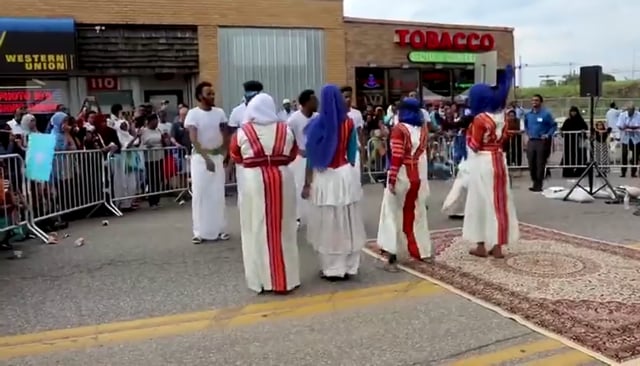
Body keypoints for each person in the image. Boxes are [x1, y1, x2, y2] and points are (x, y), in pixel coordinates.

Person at [229, 93, 300, 294]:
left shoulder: (243, 132)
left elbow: (236, 155)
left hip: (254, 181)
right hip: (283, 178)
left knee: (256, 226)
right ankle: (287, 278)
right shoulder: (286, 129)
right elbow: (293, 154)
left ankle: (262, 279)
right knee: (284, 226)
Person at [304, 84, 366, 281]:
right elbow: (352, 152)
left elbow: (311, 157)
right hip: (345, 174)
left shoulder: (317, 125)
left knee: (328, 222)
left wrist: (307, 182)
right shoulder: (348, 123)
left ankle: (332, 268)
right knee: (347, 219)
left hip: (326, 177)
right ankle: (349, 265)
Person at [463, 65, 519, 259]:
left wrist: (467, 135)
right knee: (499, 201)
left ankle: (480, 244)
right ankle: (497, 246)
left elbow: (475, 145)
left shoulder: (479, 119)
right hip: (499, 159)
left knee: (480, 202)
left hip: (482, 162)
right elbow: (505, 138)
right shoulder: (502, 117)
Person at [376, 97, 431, 270]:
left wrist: (391, 179)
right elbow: (422, 153)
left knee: (392, 214)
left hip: (401, 174)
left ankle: (392, 256)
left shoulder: (399, 129)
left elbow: (397, 156)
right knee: (417, 212)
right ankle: (421, 251)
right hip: (416, 174)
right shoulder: (423, 129)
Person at [185, 81, 230, 244]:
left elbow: (226, 133)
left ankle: (220, 229)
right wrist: (206, 159)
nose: (212, 96)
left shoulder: (219, 112)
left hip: (216, 157)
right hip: (199, 158)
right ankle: (198, 231)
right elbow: (193, 139)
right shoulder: (193, 114)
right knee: (200, 194)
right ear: (200, 96)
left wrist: (225, 152)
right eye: (208, 94)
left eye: (213, 93)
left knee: (217, 194)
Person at [286, 89, 318, 228]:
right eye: (313, 100)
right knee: (299, 187)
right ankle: (298, 218)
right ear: (305, 103)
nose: (316, 102)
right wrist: (297, 150)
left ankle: (314, 217)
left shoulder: (318, 117)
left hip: (316, 158)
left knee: (316, 187)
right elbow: (288, 139)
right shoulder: (293, 119)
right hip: (300, 159)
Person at [524, 94, 556, 192]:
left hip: (541, 142)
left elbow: (553, 126)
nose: (534, 102)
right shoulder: (528, 114)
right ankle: (534, 181)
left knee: (540, 163)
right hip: (531, 141)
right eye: (533, 100)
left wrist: (548, 134)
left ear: (541, 102)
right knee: (531, 163)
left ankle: (538, 184)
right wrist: (528, 133)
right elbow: (526, 125)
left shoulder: (546, 114)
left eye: (536, 100)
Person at [560, 106, 588, 178]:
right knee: (569, 156)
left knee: (580, 156)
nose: (573, 113)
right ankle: (568, 172)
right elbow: (563, 130)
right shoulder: (568, 121)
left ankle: (580, 171)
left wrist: (583, 132)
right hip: (569, 143)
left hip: (578, 142)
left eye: (574, 111)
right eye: (572, 111)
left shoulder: (580, 121)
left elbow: (585, 128)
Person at [616, 103, 640, 178]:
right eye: (629, 111)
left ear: (634, 110)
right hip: (625, 138)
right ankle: (623, 172)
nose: (630, 113)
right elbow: (620, 125)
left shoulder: (638, 115)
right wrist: (629, 127)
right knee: (624, 155)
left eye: (632, 111)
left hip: (636, 138)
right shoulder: (622, 115)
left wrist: (630, 127)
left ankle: (633, 172)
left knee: (635, 156)